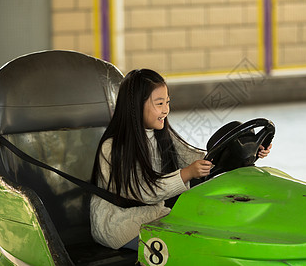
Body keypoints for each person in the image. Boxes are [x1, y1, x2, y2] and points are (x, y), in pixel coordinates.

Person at [90, 69, 271, 251]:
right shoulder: (112, 147)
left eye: (167, 102)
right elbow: (143, 191)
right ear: (136, 106)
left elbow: (194, 157)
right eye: (159, 103)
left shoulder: (160, 135)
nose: (166, 110)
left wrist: (245, 150)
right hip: (119, 226)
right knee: (193, 247)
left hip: (154, 215)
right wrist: (186, 174)